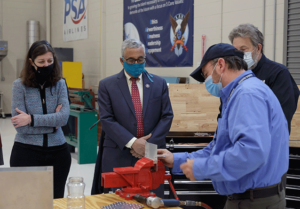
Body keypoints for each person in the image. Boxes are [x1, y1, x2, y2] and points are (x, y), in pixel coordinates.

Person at [159, 43, 289, 208]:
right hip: (246, 199)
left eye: (207, 75)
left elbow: (251, 152)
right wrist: (176, 160)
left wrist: (201, 168)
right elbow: (217, 149)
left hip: (254, 202)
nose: (209, 82)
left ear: (220, 65)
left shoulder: (247, 95)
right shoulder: (238, 94)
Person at [91, 39, 173, 197]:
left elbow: (167, 116)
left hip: (151, 154)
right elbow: (107, 119)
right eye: (131, 60)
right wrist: (133, 143)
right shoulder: (107, 85)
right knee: (116, 202)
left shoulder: (159, 84)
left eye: (140, 59)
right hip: (118, 154)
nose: (136, 63)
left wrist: (147, 146)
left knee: (152, 200)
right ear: (122, 61)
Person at [10, 40, 71, 198]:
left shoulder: (60, 84)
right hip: (26, 152)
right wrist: (53, 123)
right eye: (41, 62)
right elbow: (20, 127)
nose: (46, 65)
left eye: (50, 61)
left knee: (55, 202)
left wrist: (30, 118)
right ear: (31, 62)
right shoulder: (19, 86)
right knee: (27, 202)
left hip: (59, 153)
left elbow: (63, 119)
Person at [228, 23, 299, 134]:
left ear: (258, 48)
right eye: (236, 51)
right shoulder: (235, 76)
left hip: (269, 143)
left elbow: (280, 117)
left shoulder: (278, 73)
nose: (238, 56)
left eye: (243, 49)